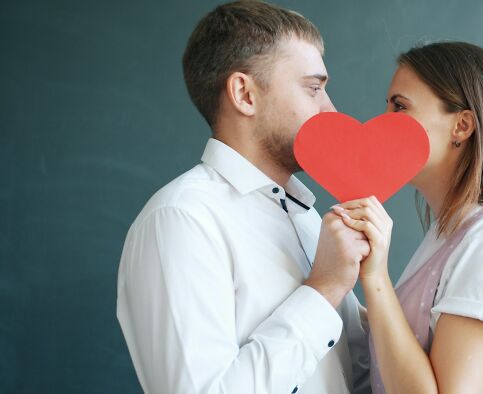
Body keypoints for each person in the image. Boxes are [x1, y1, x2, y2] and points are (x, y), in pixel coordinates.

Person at [116, 1, 371, 393]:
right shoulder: (181, 219)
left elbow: (357, 374)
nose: (331, 110)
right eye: (313, 88)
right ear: (244, 94)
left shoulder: (305, 217)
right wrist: (323, 289)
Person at [333, 42, 483, 394]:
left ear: (462, 126)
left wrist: (376, 277)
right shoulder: (454, 233)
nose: (381, 123)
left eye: (400, 106)